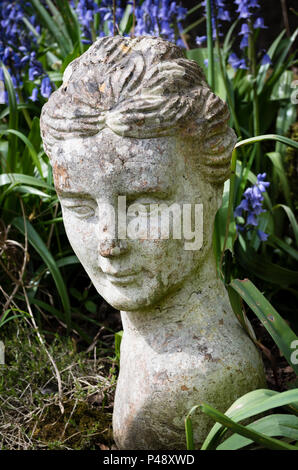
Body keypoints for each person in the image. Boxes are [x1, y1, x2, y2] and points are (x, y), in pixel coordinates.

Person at [40, 36, 265, 450]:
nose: (109, 243)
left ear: (213, 186)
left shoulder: (191, 398)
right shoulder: (156, 345)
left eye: (144, 204)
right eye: (81, 205)